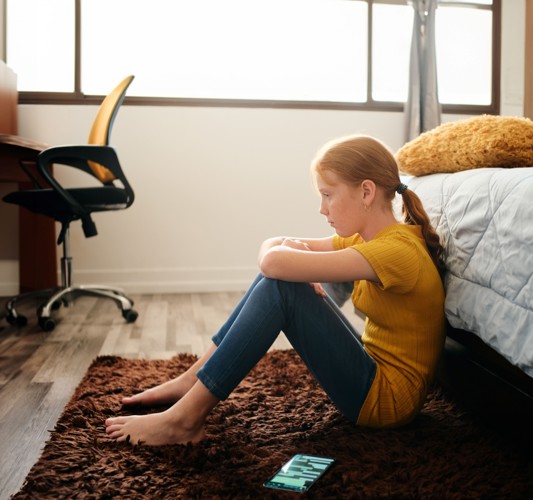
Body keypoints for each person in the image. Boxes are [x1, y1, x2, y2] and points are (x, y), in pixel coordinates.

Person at [105, 134, 446, 446]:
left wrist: (288, 260)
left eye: (328, 195)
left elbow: (274, 261)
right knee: (278, 282)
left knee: (281, 288)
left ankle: (184, 420)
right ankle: (194, 379)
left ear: (367, 192)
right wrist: (286, 257)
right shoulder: (369, 238)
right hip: (373, 369)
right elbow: (275, 250)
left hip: (386, 401)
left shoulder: (395, 252)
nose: (322, 209)